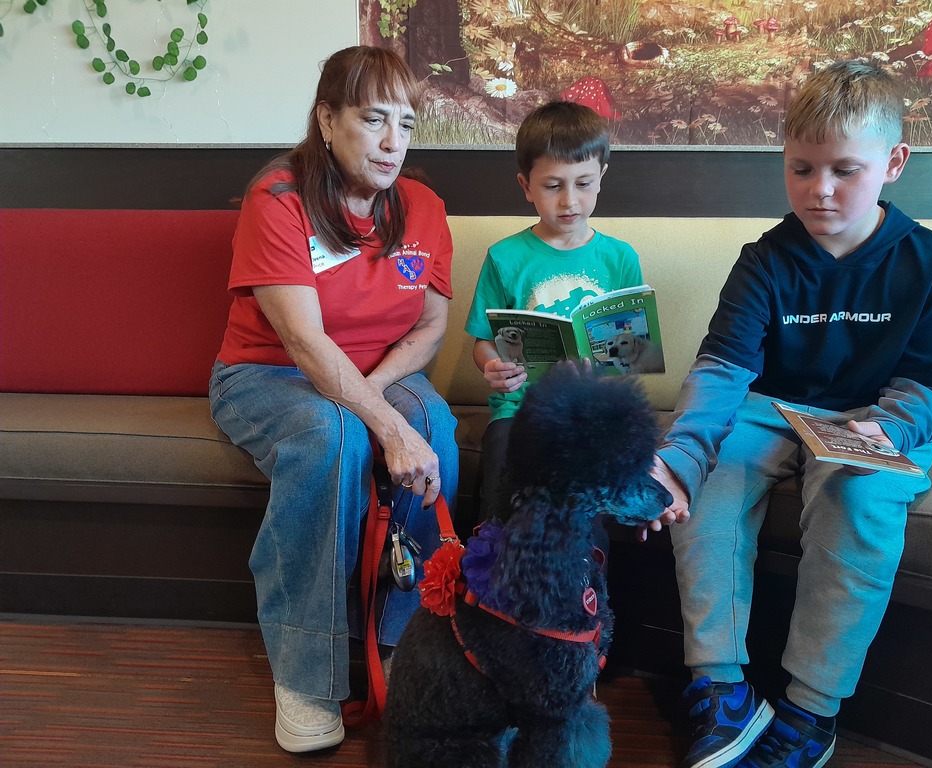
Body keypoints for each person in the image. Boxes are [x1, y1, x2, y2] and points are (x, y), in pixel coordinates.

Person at [649, 60, 932, 768]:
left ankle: (811, 710)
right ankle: (720, 686)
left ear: (894, 163)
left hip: (876, 416)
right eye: (801, 169)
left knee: (861, 497)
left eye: (844, 171)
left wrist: (889, 429)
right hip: (770, 409)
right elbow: (722, 370)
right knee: (709, 476)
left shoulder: (931, 262)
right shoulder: (763, 260)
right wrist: (680, 457)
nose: (819, 190)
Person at [209, 46, 458, 754]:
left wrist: (375, 400)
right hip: (270, 374)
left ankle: (403, 644)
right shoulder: (278, 199)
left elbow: (431, 326)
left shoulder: (424, 207)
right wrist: (378, 424)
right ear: (326, 119)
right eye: (373, 119)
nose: (392, 142)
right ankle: (305, 674)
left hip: (378, 369)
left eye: (405, 124)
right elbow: (303, 340)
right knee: (332, 436)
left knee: (433, 423)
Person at [464, 100, 644, 522]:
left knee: (588, 501)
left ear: (601, 178)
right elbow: (483, 342)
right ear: (526, 186)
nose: (569, 201)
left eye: (583, 183)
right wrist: (492, 366)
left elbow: (633, 352)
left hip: (592, 410)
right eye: (552, 186)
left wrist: (616, 362)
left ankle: (588, 564)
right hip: (519, 410)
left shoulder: (620, 258)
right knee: (503, 485)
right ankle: (492, 558)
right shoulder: (505, 257)